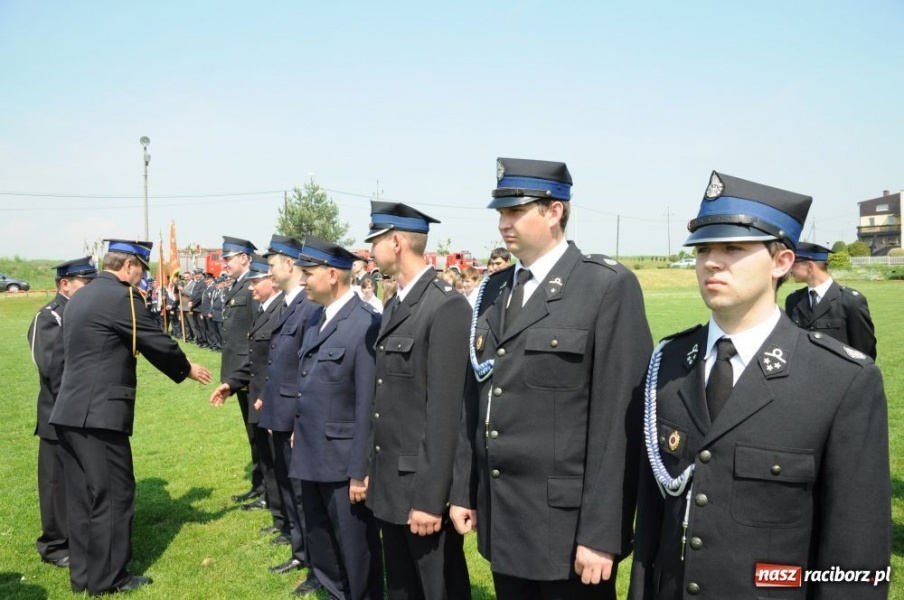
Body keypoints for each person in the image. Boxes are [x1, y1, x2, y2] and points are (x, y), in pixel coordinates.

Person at [628, 171, 891, 599]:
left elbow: (856, 557)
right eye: (703, 248)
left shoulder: (840, 382)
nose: (711, 261)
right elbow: (654, 524)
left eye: (733, 247)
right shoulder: (671, 363)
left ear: (782, 262)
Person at [449, 158, 652, 600]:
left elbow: (620, 423)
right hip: (505, 514)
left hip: (567, 527)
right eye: (500, 213)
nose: (504, 223)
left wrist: (603, 534)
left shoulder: (605, 287)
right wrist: (465, 489)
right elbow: (477, 399)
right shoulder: (494, 290)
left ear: (554, 211)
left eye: (515, 211)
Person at [49, 239, 211, 595]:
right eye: (142, 270)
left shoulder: (82, 297)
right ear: (130, 266)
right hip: (100, 415)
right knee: (114, 494)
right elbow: (155, 340)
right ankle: (109, 579)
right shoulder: (122, 297)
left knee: (82, 499)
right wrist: (186, 368)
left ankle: (85, 576)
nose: (142, 278)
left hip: (69, 410)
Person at [365, 201, 472, 600]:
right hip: (392, 484)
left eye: (374, 241)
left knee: (437, 588)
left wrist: (430, 500)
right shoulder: (396, 303)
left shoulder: (445, 306)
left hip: (422, 493)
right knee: (402, 589)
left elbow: (446, 415)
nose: (370, 251)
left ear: (395, 242)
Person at [290, 235, 384, 599]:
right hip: (311, 453)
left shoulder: (364, 323)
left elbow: (367, 403)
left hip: (344, 464)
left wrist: (360, 470)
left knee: (356, 553)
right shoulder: (317, 318)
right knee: (322, 545)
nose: (302, 281)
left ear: (332, 275)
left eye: (308, 273)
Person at [256, 234, 322, 595]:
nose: (269, 270)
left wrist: (297, 415)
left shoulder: (308, 306)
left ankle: (314, 561)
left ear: (289, 264)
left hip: (294, 414)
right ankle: (300, 552)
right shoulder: (287, 303)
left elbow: (305, 367)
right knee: (287, 485)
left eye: (272, 264)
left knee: (301, 493)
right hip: (279, 411)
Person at [209, 255, 289, 543]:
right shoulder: (266, 309)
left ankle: (287, 523)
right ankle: (280, 519)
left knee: (278, 462)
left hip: (268, 398)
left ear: (272, 282)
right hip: (258, 394)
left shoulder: (282, 309)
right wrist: (231, 383)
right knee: (268, 459)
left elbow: (277, 362)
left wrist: (267, 395)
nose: (251, 288)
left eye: (256, 282)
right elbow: (257, 359)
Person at [27, 256, 98, 569]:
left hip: (85, 412)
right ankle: (56, 545)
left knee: (82, 480)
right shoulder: (50, 317)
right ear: (64, 284)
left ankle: (83, 536)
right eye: (85, 283)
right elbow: (53, 367)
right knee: (56, 484)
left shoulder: (84, 313)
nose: (90, 289)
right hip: (58, 414)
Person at [219, 236, 265, 505]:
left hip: (249, 373)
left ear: (245, 258)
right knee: (252, 434)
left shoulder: (253, 285)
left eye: (229, 258)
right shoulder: (239, 285)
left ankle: (265, 489)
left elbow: (259, 332)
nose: (225, 263)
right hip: (238, 372)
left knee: (258, 434)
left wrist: (248, 371)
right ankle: (259, 485)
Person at [785, 242, 877, 359]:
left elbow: (865, 352)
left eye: (793, 263)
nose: (789, 268)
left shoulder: (851, 302)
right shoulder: (793, 300)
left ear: (809, 266)